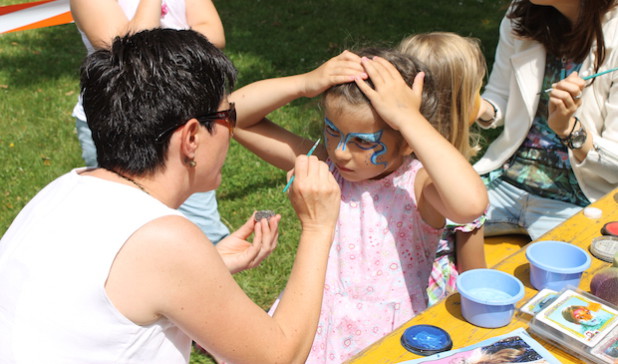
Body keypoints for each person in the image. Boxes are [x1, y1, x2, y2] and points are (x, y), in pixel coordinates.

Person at [0, 29, 342, 364]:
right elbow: (279, 357)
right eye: (228, 117)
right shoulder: (165, 240)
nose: (232, 129)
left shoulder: (66, 188)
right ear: (191, 137)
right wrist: (317, 226)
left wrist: (209, 266)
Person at [229, 48, 488, 362]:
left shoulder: (416, 187)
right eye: (331, 132)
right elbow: (233, 116)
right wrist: (305, 83)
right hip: (311, 330)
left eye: (363, 142)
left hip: (384, 342)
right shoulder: (326, 167)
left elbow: (471, 204)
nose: (340, 152)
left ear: (407, 140)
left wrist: (408, 117)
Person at [69, 0, 229, 243]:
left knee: (201, 224)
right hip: (121, 123)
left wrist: (160, 60)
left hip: (184, 116)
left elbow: (214, 33)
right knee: (126, 226)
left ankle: (208, 276)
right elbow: (127, 56)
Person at [473, 0, 618, 240]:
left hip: (578, 202)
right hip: (505, 181)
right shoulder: (525, 6)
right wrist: (472, 106)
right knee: (420, 228)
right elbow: (499, 98)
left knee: (576, 282)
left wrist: (569, 130)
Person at [398, 32, 488, 306]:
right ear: (460, 106)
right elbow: (476, 278)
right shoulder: (456, 185)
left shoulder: (386, 166)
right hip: (431, 302)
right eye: (477, 91)